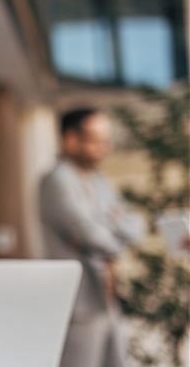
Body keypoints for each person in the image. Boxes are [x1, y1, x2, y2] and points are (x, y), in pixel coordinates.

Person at [39, 108, 141, 367]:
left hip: (107, 298)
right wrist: (111, 226)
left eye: (106, 141)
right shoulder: (56, 181)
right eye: (96, 140)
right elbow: (88, 233)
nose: (105, 148)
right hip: (80, 304)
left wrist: (107, 229)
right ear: (71, 140)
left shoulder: (100, 182)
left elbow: (134, 226)